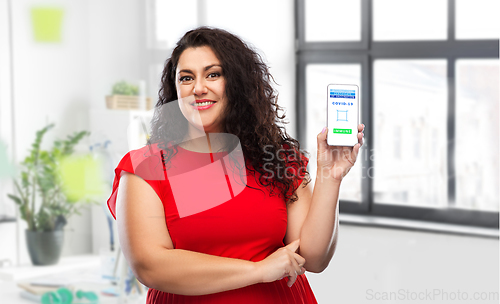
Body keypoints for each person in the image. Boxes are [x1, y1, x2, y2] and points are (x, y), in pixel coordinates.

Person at [107, 26, 365, 303]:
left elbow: (314, 258)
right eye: (186, 78)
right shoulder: (144, 167)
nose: (198, 88)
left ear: (238, 84)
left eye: (213, 74)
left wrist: (330, 176)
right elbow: (150, 265)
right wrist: (258, 270)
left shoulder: (278, 159)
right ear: (175, 88)